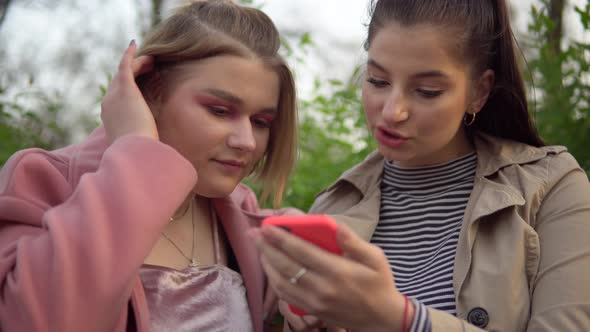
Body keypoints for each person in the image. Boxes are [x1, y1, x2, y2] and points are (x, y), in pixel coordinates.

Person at [253, 0, 590, 331]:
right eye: (377, 81)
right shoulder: (333, 206)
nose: (392, 111)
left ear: (479, 91)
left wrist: (401, 319)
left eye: (427, 91)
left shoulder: (551, 186)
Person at [0, 1, 299, 331]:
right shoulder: (42, 181)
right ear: (151, 92)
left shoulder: (241, 220)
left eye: (261, 121)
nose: (247, 141)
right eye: (219, 110)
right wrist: (138, 151)